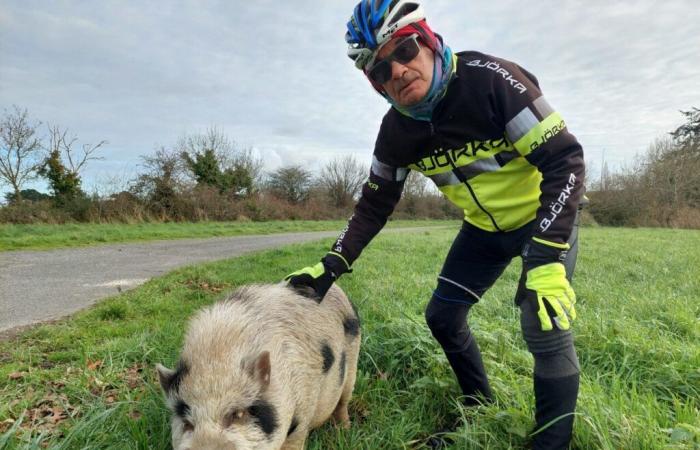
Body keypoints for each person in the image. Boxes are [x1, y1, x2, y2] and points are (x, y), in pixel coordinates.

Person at [285, 1, 585, 448]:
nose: (399, 71)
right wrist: (331, 265)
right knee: (442, 317)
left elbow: (565, 160)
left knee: (543, 323)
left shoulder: (490, 81)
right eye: (381, 70)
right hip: (483, 231)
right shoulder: (397, 131)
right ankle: (478, 404)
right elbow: (374, 204)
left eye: (405, 50)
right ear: (375, 84)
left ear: (427, 40)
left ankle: (550, 443)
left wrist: (546, 257)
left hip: (541, 220)